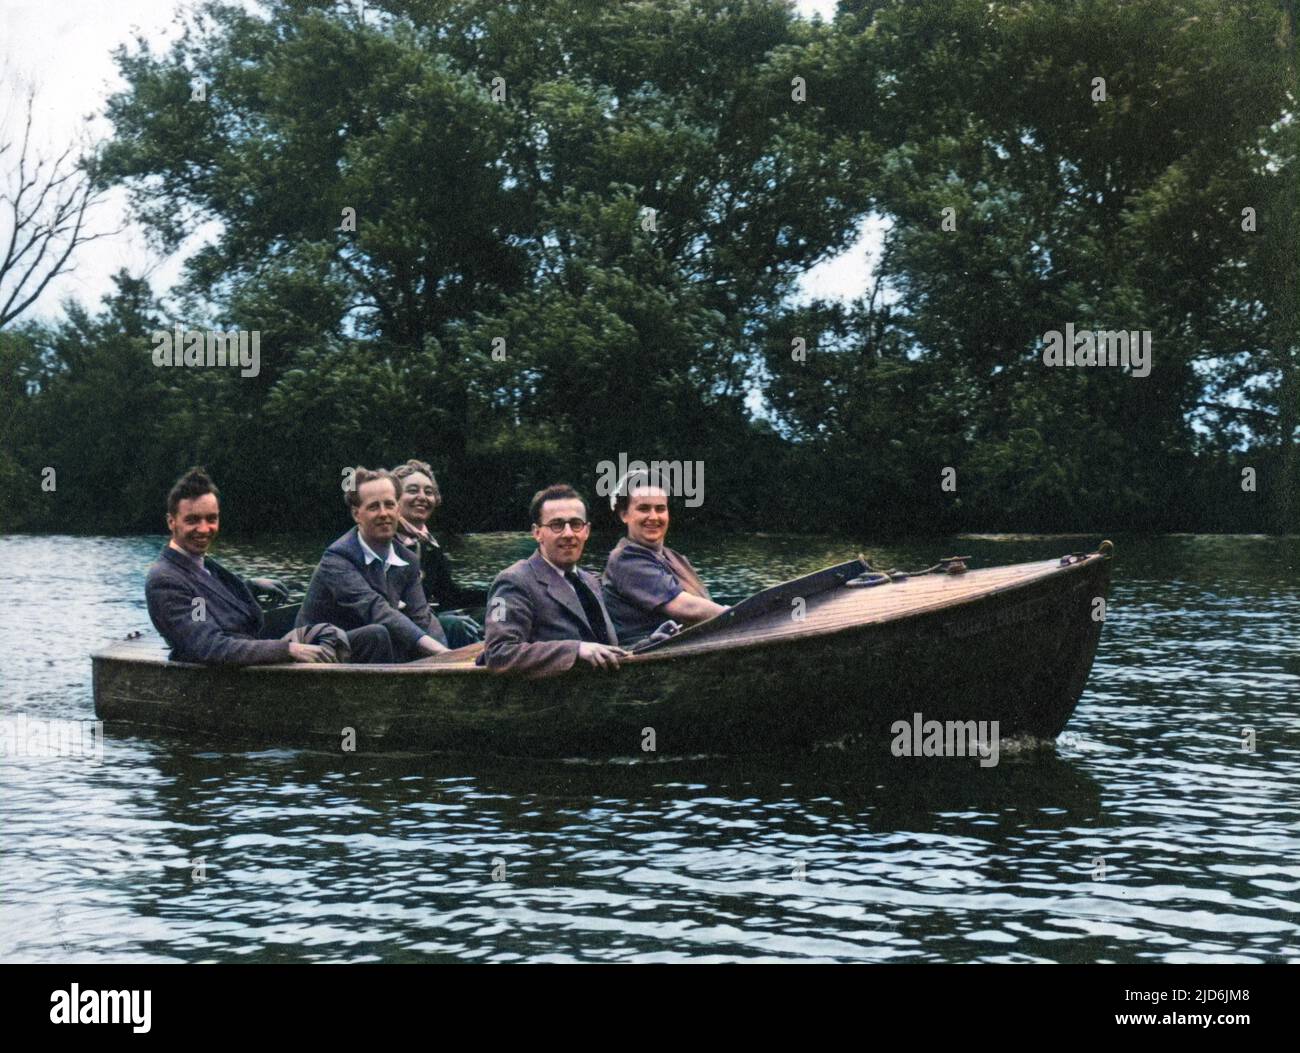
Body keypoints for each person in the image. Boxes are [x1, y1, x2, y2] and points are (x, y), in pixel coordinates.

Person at [145, 467, 393, 665]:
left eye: (211, 519)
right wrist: (288, 649)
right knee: (374, 638)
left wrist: (249, 586)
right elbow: (209, 646)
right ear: (171, 522)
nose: (204, 529)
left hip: (254, 651)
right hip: (238, 675)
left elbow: (207, 596)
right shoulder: (167, 579)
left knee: (374, 634)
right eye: (192, 520)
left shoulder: (198, 563)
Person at [297, 467, 451, 661]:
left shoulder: (408, 559)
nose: (384, 513)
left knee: (440, 628)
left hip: (372, 646)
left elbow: (421, 616)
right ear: (356, 514)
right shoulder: (337, 558)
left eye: (389, 505)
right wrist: (438, 651)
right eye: (373, 507)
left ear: (397, 509)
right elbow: (375, 609)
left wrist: (447, 657)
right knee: (377, 633)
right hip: (318, 648)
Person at [480, 483, 627, 676]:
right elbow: (499, 653)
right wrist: (575, 650)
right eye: (557, 525)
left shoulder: (590, 581)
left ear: (586, 531)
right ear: (537, 532)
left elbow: (604, 646)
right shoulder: (514, 581)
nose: (568, 534)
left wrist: (653, 642)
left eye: (576, 524)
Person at [602, 472, 728, 646]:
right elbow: (687, 608)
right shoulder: (625, 559)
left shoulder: (675, 557)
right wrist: (740, 615)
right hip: (648, 656)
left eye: (660, 509)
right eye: (643, 509)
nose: (653, 517)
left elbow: (705, 603)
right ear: (624, 515)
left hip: (688, 645)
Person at [392, 458, 486, 648]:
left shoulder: (429, 546)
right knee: (456, 625)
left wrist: (502, 591)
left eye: (429, 492)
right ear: (394, 498)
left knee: (495, 612)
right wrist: (444, 620)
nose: (422, 497)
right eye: (412, 490)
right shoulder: (384, 541)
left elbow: (449, 596)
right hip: (398, 630)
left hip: (425, 619)